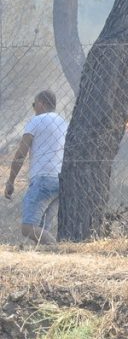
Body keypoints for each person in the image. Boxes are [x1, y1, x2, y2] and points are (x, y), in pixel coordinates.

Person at [4, 90, 68, 245]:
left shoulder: (36, 121)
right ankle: (51, 255)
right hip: (59, 180)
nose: (34, 108)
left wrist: (11, 181)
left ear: (41, 104)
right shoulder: (64, 123)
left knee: (28, 228)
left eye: (34, 105)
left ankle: (58, 251)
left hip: (43, 179)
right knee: (41, 230)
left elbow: (20, 154)